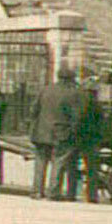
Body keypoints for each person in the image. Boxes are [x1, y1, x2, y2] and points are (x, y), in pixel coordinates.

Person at [31, 69, 87, 201]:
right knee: (58, 161)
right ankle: (53, 192)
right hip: (61, 133)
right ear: (71, 79)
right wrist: (74, 131)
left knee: (40, 161)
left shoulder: (45, 90)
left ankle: (36, 191)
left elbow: (33, 110)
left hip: (41, 132)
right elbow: (77, 116)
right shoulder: (74, 93)